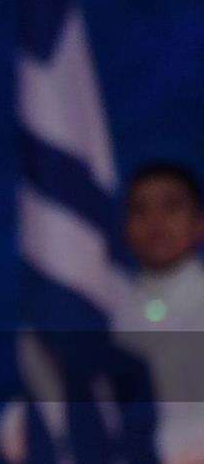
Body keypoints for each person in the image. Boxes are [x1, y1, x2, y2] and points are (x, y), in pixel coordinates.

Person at [113, 162, 204, 464]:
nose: (155, 222)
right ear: (124, 227)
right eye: (140, 210)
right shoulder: (105, 313)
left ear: (199, 223)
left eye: (171, 206)